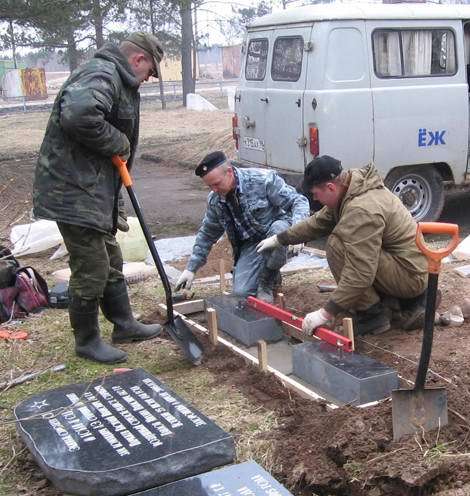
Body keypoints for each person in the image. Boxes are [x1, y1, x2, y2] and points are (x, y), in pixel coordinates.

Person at [33, 32, 164, 363]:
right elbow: (79, 115)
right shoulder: (102, 73)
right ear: (137, 59)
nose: (148, 79)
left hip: (90, 188)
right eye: (149, 72)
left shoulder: (113, 77)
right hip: (72, 191)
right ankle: (87, 340)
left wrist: (113, 198)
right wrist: (118, 142)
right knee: (91, 265)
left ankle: (124, 324)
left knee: (110, 258)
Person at [257, 155, 429, 335]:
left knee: (337, 245)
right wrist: (280, 239)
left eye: (316, 194)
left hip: (410, 275)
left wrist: (325, 313)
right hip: (409, 266)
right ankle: (395, 301)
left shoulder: (361, 209)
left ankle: (373, 315)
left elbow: (360, 272)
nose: (316, 200)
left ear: (330, 187)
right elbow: (318, 223)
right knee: (347, 243)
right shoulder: (351, 187)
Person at [176, 151, 310, 302]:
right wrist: (190, 269)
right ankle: (267, 271)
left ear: (229, 172)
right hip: (253, 244)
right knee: (241, 293)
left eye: (216, 184)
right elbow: (207, 234)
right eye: (209, 186)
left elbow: (299, 201)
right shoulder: (215, 200)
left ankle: (267, 280)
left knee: (279, 229)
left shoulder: (262, 180)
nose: (214, 189)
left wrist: (298, 230)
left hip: (278, 233)